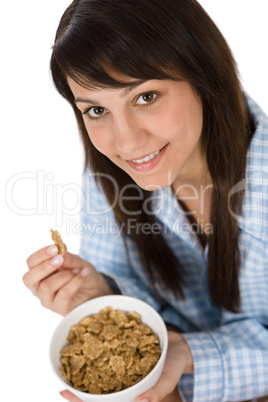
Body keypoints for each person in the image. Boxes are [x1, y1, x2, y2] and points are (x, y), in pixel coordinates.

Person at [23, 0, 268, 401]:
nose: (126, 142)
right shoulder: (111, 174)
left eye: (146, 97)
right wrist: (100, 298)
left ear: (204, 75)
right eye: (97, 109)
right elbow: (139, 329)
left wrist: (191, 354)